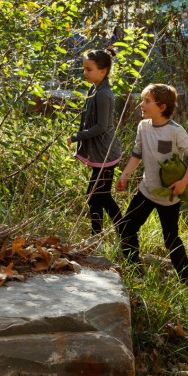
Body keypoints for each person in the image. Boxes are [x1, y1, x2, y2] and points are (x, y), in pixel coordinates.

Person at [115, 84, 188, 282]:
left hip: (169, 196)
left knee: (171, 239)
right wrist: (125, 175)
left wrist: (183, 182)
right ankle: (135, 272)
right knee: (127, 228)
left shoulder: (175, 131)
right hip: (146, 191)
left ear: (162, 107)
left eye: (147, 101)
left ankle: (186, 282)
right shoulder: (143, 127)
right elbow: (137, 153)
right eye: (143, 100)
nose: (141, 105)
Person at [66, 48, 123, 237]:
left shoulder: (103, 94)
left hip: (105, 153)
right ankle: (97, 236)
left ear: (103, 71)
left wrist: (76, 137)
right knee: (97, 197)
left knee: (100, 197)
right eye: (84, 69)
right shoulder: (95, 88)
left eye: (89, 69)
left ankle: (125, 232)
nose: (85, 73)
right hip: (100, 153)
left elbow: (102, 127)